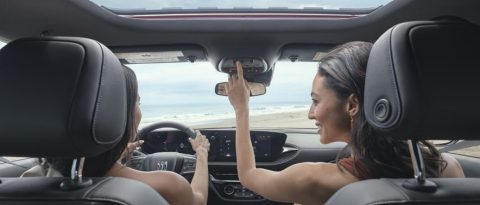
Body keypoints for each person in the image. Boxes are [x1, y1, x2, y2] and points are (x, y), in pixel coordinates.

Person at [225, 41, 464, 205]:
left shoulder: (313, 179)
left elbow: (248, 175)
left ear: (352, 105)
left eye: (315, 101)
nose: (310, 114)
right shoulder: (447, 167)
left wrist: (241, 109)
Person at [27, 66, 210, 205]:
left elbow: (92, 165)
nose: (139, 109)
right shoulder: (168, 185)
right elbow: (199, 199)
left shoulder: (30, 180)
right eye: (137, 102)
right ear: (116, 114)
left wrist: (119, 152)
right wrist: (201, 154)